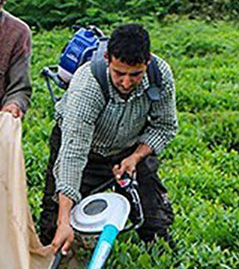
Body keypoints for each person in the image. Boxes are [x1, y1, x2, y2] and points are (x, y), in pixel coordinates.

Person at [40, 23, 177, 254]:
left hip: (130, 148)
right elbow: (73, 154)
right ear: (107, 58)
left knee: (155, 221)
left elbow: (165, 126)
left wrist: (135, 157)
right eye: (119, 73)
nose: (126, 82)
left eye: (135, 74)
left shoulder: (160, 74)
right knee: (53, 226)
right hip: (85, 148)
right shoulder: (88, 87)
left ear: (148, 61)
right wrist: (64, 220)